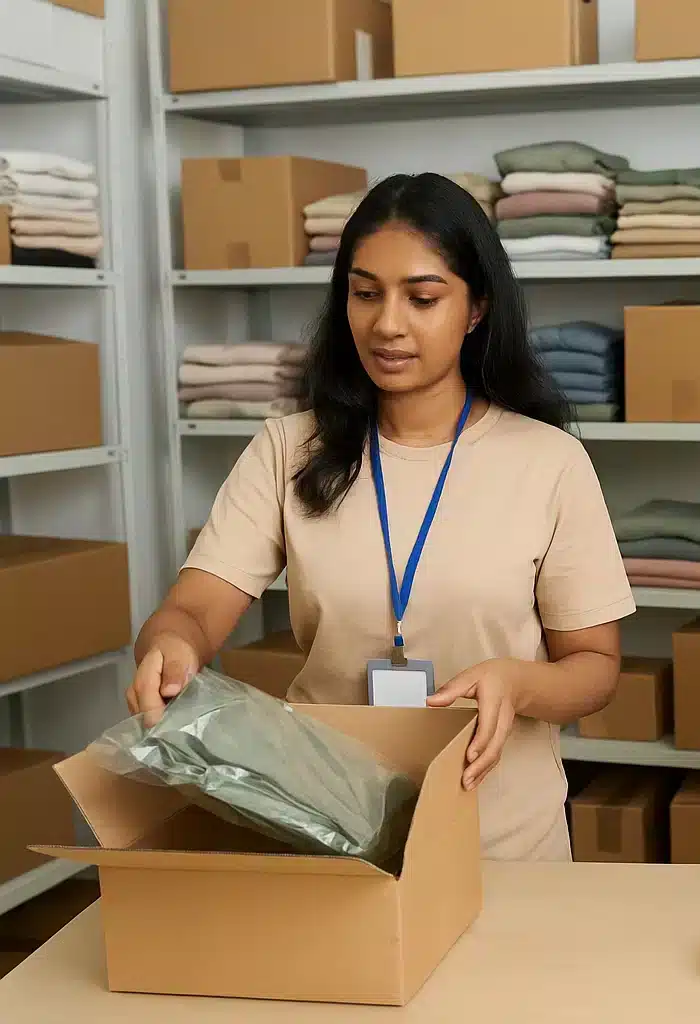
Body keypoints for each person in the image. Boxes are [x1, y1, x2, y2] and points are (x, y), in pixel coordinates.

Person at [128, 173, 636, 861]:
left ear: (476, 308)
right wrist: (170, 647)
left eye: (422, 298)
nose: (387, 324)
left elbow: (594, 667)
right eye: (365, 294)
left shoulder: (549, 461)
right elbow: (192, 611)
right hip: (330, 833)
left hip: (504, 845)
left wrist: (517, 682)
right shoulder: (287, 450)